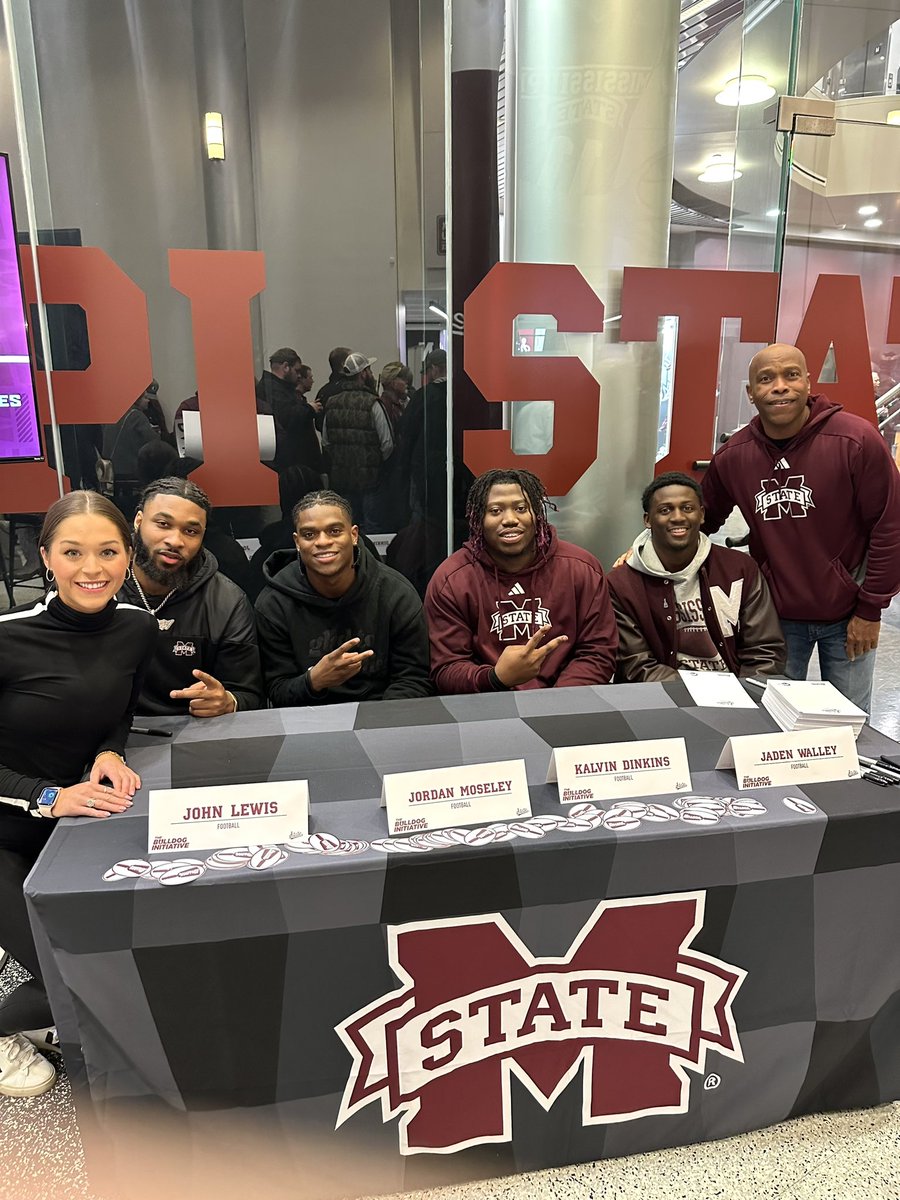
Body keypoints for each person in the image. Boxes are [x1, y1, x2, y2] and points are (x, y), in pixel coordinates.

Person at [0, 491, 157, 1096]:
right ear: (45, 558)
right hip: (10, 834)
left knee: (119, 959)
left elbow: (121, 708)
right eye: (72, 552)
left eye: (107, 552)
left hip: (76, 832)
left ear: (126, 557)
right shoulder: (9, 637)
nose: (91, 568)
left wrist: (110, 751)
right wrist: (46, 797)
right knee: (73, 976)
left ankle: (43, 1014)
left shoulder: (137, 627)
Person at [702, 343, 900, 712]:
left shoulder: (856, 441)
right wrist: (645, 550)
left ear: (808, 383)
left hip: (848, 615)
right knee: (771, 720)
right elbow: (699, 520)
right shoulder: (734, 455)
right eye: (766, 379)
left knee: (847, 725)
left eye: (791, 375)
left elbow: (890, 527)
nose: (780, 386)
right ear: (750, 392)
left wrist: (871, 609)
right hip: (775, 615)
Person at [425, 468, 618, 693]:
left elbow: (598, 652)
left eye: (520, 508)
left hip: (565, 706)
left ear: (536, 513)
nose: (510, 519)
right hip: (486, 711)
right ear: (478, 519)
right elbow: (446, 668)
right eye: (495, 510)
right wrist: (495, 678)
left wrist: (555, 702)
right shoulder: (452, 580)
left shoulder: (582, 568)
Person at [255, 490, 431, 705]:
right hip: (308, 722)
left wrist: (379, 726)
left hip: (383, 716)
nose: (322, 542)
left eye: (335, 531)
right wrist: (313, 681)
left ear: (354, 535)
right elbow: (276, 690)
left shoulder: (396, 594)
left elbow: (413, 679)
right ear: (297, 542)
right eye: (309, 534)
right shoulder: (273, 604)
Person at [607, 472, 785, 682]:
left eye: (687, 508)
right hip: (664, 698)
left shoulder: (740, 568)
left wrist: (744, 698)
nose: (678, 517)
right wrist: (699, 696)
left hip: (737, 695)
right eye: (665, 510)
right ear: (648, 520)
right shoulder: (621, 584)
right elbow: (636, 664)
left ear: (701, 514)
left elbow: (765, 652)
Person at [119, 477, 264, 717]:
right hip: (107, 735)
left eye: (191, 531)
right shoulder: (100, 585)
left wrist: (227, 701)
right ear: (138, 521)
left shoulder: (226, 602)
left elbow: (249, 694)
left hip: (192, 730)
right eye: (163, 524)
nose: (175, 541)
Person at [321, 352, 393, 530]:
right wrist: (375, 463)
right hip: (371, 480)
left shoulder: (331, 402)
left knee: (344, 528)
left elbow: (326, 441)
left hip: (342, 480)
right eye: (369, 369)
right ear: (363, 374)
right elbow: (387, 443)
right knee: (372, 529)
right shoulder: (373, 403)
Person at [255, 348, 324, 485]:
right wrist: (309, 408)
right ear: (286, 367)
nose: (299, 376)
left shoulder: (275, 388)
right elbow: (286, 417)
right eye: (297, 370)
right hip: (289, 464)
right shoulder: (273, 391)